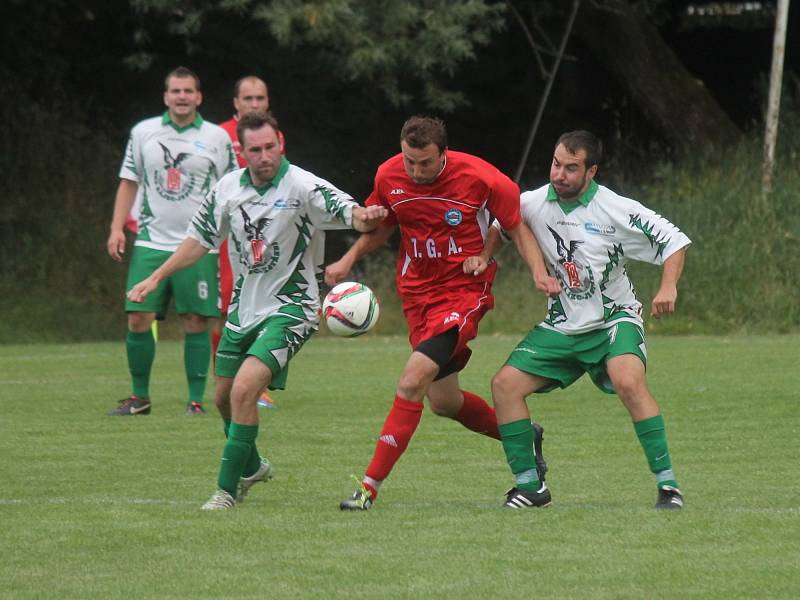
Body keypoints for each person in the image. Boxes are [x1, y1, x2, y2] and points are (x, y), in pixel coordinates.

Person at [127, 111, 388, 509]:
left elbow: (348, 212)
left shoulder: (303, 186)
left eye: (270, 147)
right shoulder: (228, 189)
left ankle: (225, 491)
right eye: (255, 150)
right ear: (243, 152)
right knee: (222, 398)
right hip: (243, 308)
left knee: (246, 389)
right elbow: (198, 240)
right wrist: (156, 277)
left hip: (293, 306)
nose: (265, 155)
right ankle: (252, 467)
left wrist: (364, 217)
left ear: (280, 143)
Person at [326, 116, 561, 511]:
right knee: (444, 402)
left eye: (425, 163)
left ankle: (368, 487)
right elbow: (383, 226)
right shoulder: (389, 175)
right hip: (417, 295)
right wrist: (348, 257)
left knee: (411, 379)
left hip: (464, 292)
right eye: (409, 161)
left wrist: (540, 273)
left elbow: (515, 226)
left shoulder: (483, 178)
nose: (415, 171)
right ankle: (522, 434)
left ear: (444, 154)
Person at [474, 130, 690, 509]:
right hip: (563, 323)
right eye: (556, 164)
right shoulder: (533, 202)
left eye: (571, 168)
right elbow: (502, 223)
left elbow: (673, 241)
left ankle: (668, 485)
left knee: (628, 382)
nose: (559, 174)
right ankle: (530, 487)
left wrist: (667, 286)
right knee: (504, 386)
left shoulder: (616, 209)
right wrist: (484, 256)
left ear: (591, 171)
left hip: (613, 320)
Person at [107, 66, 236, 416]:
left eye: (188, 91)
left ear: (199, 96)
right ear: (166, 96)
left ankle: (195, 401)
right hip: (152, 239)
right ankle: (139, 397)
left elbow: (233, 187)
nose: (182, 97)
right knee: (138, 316)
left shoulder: (216, 138)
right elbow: (128, 181)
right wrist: (117, 228)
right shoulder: (144, 132)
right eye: (175, 91)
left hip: (200, 244)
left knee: (196, 320)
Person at [217, 76, 279, 407]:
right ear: (236, 103)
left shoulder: (273, 135)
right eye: (248, 98)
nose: (254, 104)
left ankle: (255, 384)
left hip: (262, 236)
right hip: (227, 233)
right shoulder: (218, 135)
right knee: (226, 304)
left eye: (260, 98)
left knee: (261, 303)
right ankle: (224, 379)